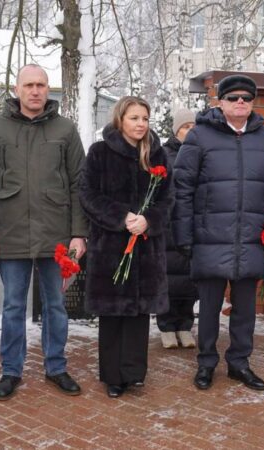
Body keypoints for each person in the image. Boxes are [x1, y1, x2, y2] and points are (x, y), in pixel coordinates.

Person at [0, 64, 87, 401]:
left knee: (55, 305)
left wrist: (79, 235)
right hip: (12, 234)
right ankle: (11, 369)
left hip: (57, 237)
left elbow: (80, 186)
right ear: (17, 89)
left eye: (41, 85)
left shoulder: (65, 130)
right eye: (29, 85)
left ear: (48, 89)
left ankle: (56, 365)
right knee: (12, 307)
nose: (35, 91)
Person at [172, 74, 264, 391]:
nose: (241, 102)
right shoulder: (199, 137)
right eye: (234, 97)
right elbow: (182, 189)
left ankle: (239, 362)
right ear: (220, 102)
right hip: (210, 237)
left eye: (247, 98)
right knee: (209, 308)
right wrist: (184, 236)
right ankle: (206, 362)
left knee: (245, 310)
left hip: (251, 240)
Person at [79, 96, 173, 398]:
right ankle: (112, 376)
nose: (141, 124)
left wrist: (149, 220)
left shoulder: (157, 154)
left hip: (147, 248)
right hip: (111, 246)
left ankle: (134, 373)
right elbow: (88, 194)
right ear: (120, 119)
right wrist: (122, 217)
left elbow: (169, 199)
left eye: (144, 118)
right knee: (113, 313)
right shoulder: (100, 152)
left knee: (138, 314)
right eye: (134, 118)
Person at [157, 108, 199, 349]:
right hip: (168, 228)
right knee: (168, 281)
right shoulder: (163, 155)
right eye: (185, 127)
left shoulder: (201, 153)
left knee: (190, 282)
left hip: (192, 226)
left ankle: (185, 326)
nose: (190, 131)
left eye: (194, 126)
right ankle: (166, 326)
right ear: (176, 131)